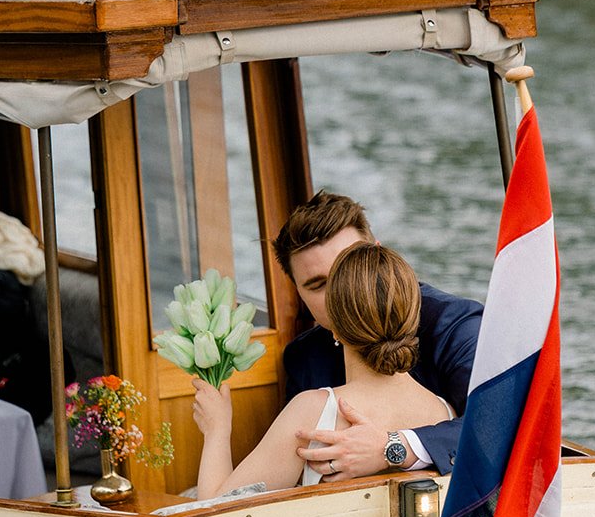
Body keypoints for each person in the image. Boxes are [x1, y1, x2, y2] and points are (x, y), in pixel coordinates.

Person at [193, 244, 453, 501]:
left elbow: (214, 509)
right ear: (412, 319)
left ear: (334, 328)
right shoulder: (443, 411)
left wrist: (217, 428)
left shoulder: (313, 411)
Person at [271, 191, 482, 482]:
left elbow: (496, 425)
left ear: (378, 257)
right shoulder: (304, 358)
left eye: (350, 270)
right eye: (318, 285)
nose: (340, 293)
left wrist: (393, 447)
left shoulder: (455, 325)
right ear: (298, 293)